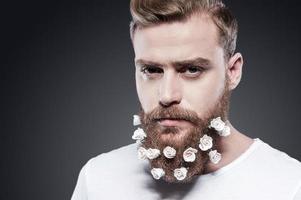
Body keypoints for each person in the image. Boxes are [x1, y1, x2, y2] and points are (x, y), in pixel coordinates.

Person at [71, 0, 301, 199]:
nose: (167, 95)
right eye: (151, 70)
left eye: (192, 69)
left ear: (232, 72)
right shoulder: (98, 179)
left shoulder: (289, 185)